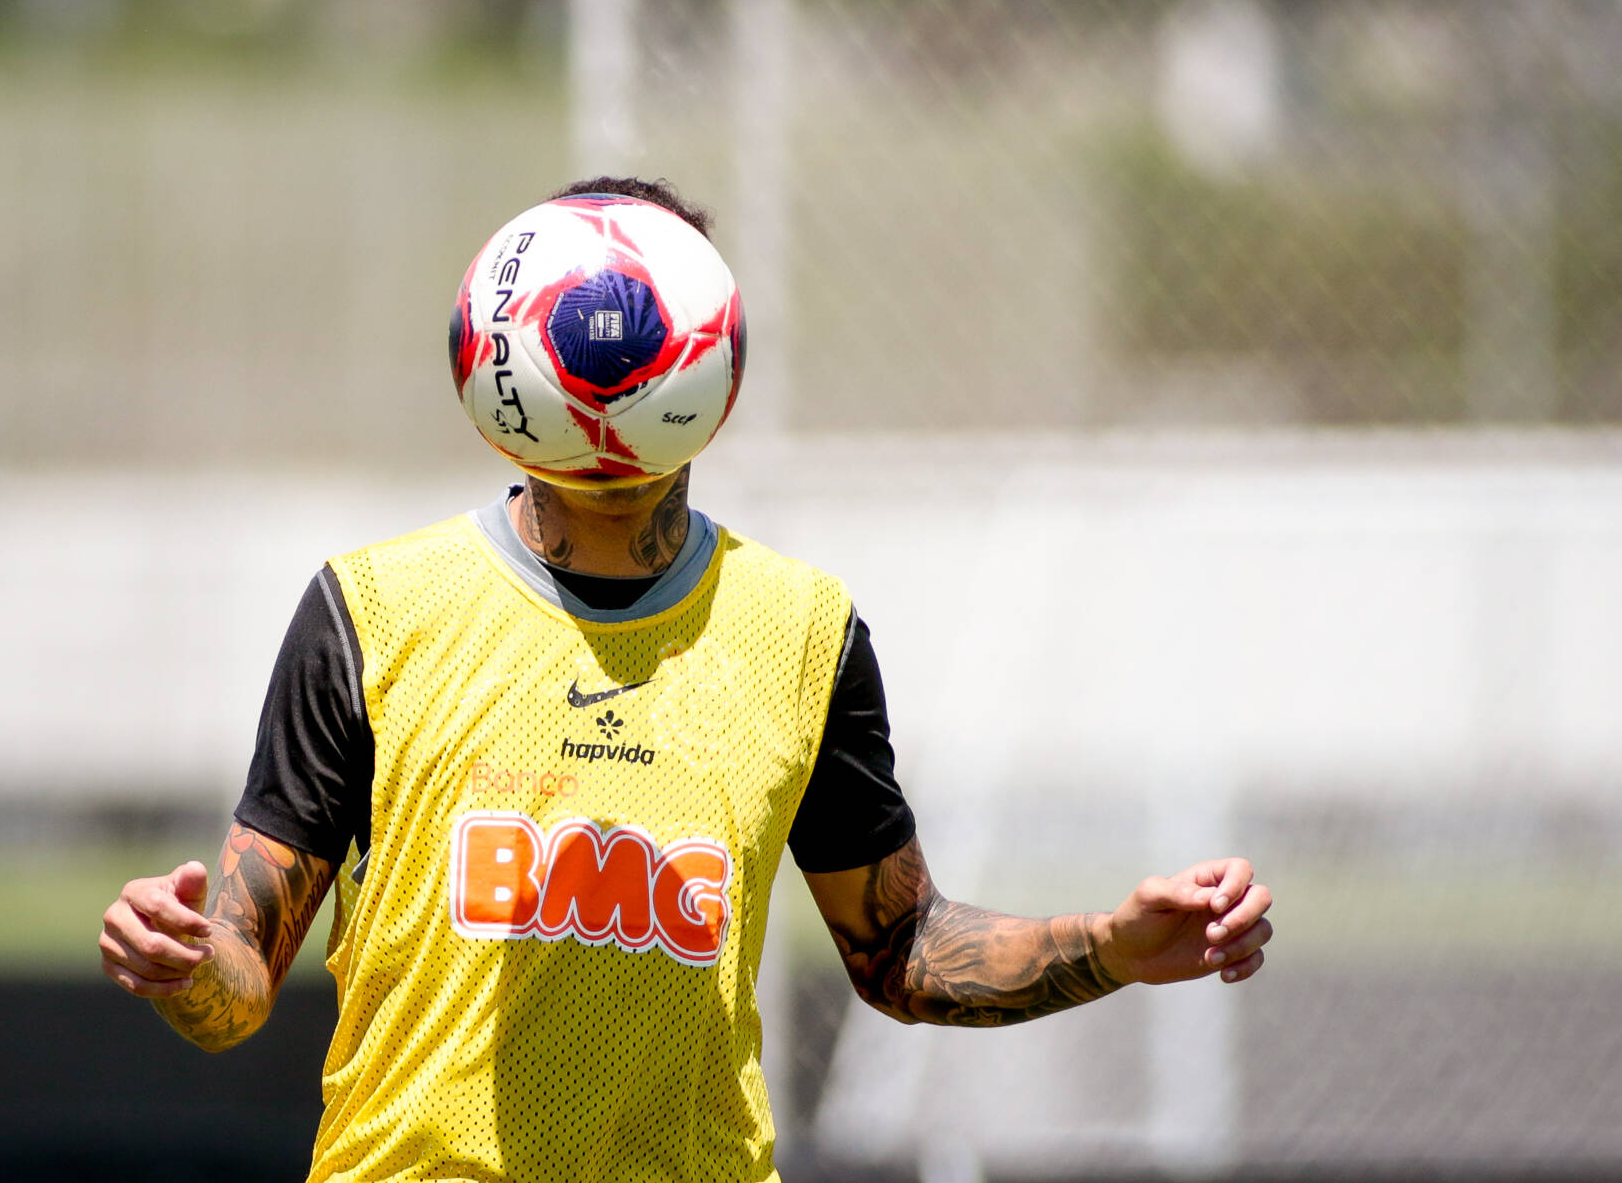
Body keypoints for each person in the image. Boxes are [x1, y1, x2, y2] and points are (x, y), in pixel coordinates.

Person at [99, 177, 1273, 1182]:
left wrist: (1110, 943)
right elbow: (243, 975)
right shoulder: (370, 611)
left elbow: (898, 947)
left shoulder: (802, 632)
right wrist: (188, 961)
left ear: (706, 361)